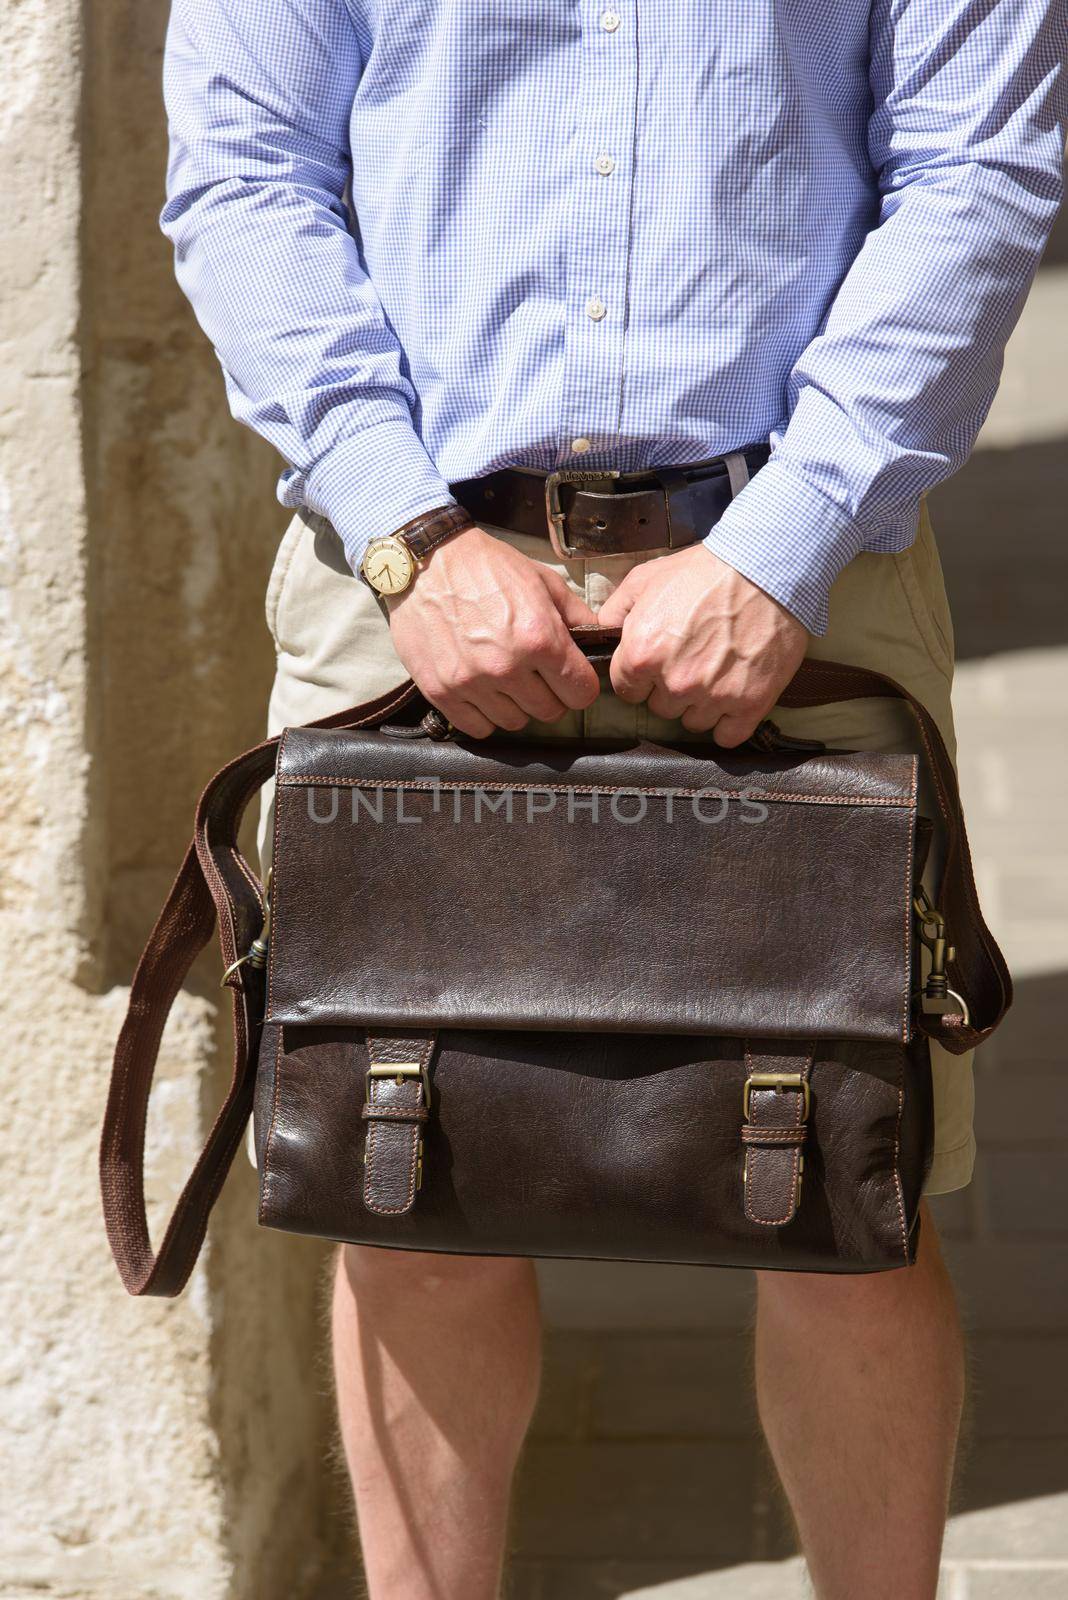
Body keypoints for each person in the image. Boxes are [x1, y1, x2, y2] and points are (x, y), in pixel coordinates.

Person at [159, 3, 1065, 1595]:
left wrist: (788, 540)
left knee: (854, 1194)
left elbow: (976, 172)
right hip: (410, 571)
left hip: (805, 558)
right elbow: (244, 172)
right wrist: (409, 533)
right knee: (407, 1177)